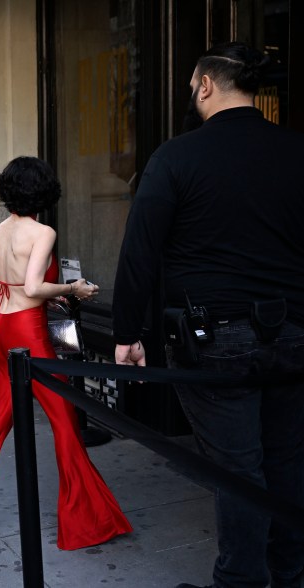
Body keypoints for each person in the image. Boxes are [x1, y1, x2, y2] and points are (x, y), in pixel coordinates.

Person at [112, 42, 304, 588]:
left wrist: (127, 332)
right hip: (295, 332)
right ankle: (288, 574)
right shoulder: (297, 151)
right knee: (288, 461)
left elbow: (140, 250)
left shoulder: (176, 156)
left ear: (204, 85)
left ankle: (241, 581)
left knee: (238, 469)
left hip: (215, 335)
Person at [0, 156, 132, 549]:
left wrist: (16, 287)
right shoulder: (43, 232)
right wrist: (74, 289)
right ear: (45, 191)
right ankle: (87, 522)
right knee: (65, 423)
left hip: (1, 328)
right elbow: (35, 288)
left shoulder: (3, 228)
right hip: (28, 332)